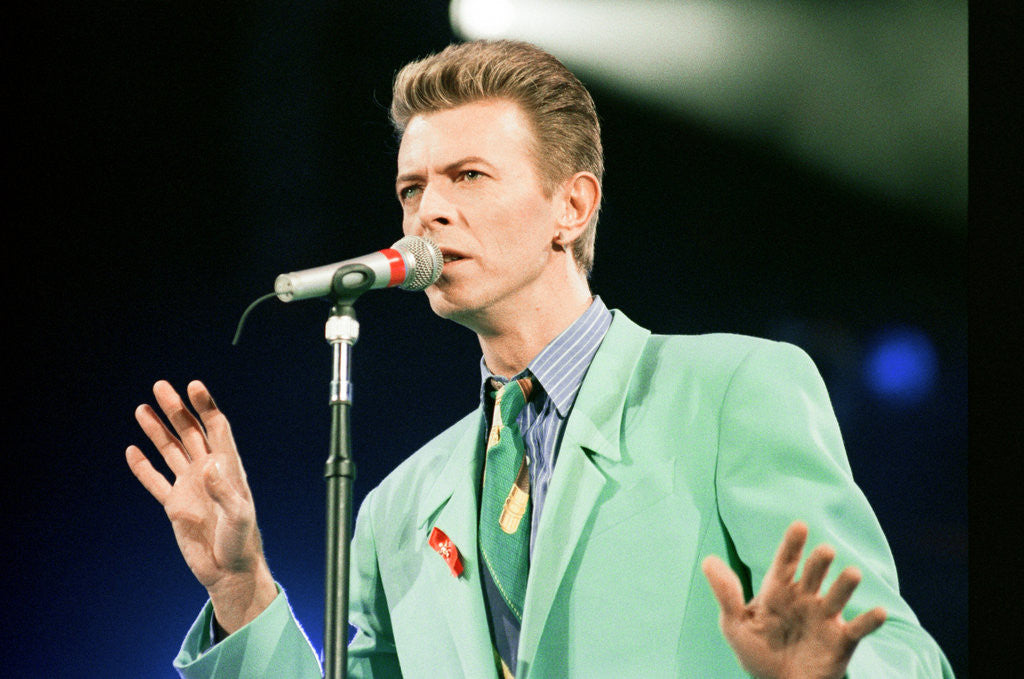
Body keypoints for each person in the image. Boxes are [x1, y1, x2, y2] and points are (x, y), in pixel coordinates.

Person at [126, 40, 954, 678]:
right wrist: (241, 588)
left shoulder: (732, 390)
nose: (428, 212)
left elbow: (904, 651)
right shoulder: (397, 510)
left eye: (468, 175)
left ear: (573, 205)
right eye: (412, 188)